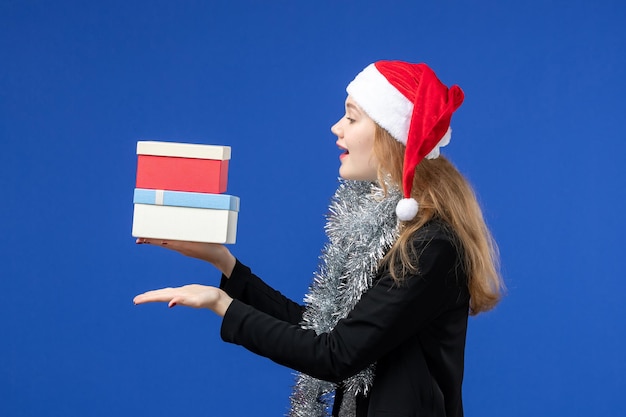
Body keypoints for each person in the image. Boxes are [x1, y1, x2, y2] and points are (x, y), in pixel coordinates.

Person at [134, 60, 504, 417]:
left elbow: (334, 354)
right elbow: (323, 332)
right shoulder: (386, 230)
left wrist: (220, 303)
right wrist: (222, 262)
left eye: (352, 117)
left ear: (391, 135)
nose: (335, 127)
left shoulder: (428, 245)